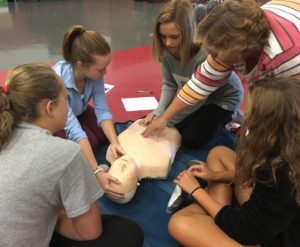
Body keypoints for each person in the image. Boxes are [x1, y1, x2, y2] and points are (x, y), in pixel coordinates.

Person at [0, 63, 144, 247]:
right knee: (126, 232)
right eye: (66, 100)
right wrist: (52, 216)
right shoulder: (65, 153)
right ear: (50, 107)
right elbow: (90, 232)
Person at [168, 77, 300, 247]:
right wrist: (215, 175)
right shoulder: (288, 145)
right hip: (274, 213)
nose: (245, 116)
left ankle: (220, 218)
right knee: (219, 154)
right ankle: (220, 212)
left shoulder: (280, 171)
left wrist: (196, 191)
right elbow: (257, 178)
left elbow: (248, 231)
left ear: (267, 123)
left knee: (180, 224)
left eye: (250, 112)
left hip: (275, 236)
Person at [142, 0, 300, 138]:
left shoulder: (286, 57)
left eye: (216, 53)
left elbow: (289, 104)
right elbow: (198, 85)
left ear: (239, 50)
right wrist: (163, 118)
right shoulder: (228, 47)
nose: (211, 57)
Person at [140, 0, 243, 149]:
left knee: (190, 140)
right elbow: (169, 84)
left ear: (187, 32)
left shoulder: (203, 55)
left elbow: (199, 96)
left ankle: (231, 116)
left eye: (174, 37)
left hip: (222, 99)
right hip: (196, 97)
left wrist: (166, 120)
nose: (168, 43)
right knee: (167, 124)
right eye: (163, 36)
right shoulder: (166, 52)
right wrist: (159, 112)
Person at [52, 25, 125, 200]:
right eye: (101, 69)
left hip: (79, 110)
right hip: (60, 120)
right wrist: (96, 170)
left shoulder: (95, 74)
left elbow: (102, 109)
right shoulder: (58, 80)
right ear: (80, 65)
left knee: (104, 136)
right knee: (90, 142)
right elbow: (73, 129)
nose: (105, 72)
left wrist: (114, 142)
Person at [106, 120, 181, 203]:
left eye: (115, 172)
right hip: (173, 125)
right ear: (136, 184)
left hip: (147, 120)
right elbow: (173, 136)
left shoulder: (111, 151)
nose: (121, 166)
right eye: (123, 174)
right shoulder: (161, 166)